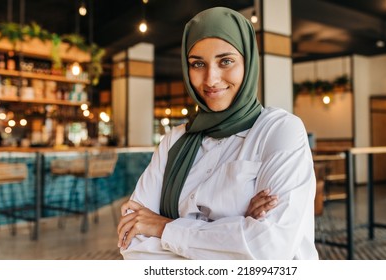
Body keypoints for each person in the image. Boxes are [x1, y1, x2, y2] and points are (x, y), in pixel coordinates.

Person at [117, 7, 318, 260]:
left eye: (226, 61)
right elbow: (133, 243)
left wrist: (162, 226)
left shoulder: (279, 130)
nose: (211, 79)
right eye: (198, 64)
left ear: (248, 62)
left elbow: (270, 249)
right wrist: (238, 228)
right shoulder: (174, 141)